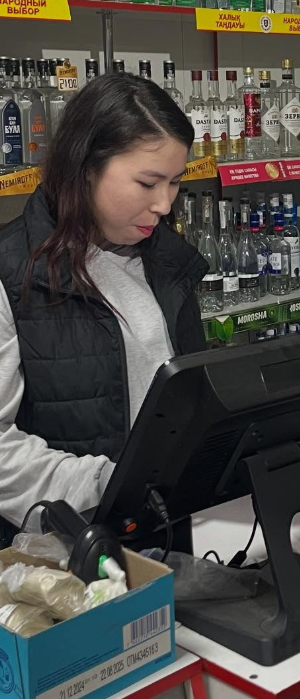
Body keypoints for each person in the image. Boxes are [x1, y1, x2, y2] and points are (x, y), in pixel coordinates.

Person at [0, 72, 206, 545]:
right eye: (148, 183)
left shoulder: (167, 261)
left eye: (175, 183)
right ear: (86, 167)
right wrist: (108, 484)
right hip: (64, 553)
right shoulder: (12, 272)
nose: (164, 204)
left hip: (165, 532)